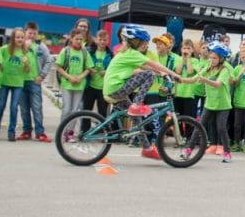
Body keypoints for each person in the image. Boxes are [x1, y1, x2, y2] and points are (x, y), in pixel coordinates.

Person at [101, 25, 184, 161]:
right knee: (149, 75)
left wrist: (162, 73)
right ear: (136, 42)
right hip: (116, 89)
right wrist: (174, 74)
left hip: (114, 90)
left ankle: (147, 149)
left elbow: (145, 66)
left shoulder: (127, 53)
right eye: (144, 42)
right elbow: (152, 65)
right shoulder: (132, 53)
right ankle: (137, 103)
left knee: (137, 117)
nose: (146, 45)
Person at [194, 43, 233, 162]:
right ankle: (188, 149)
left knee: (221, 128)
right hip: (210, 103)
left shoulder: (225, 69)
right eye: (210, 57)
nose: (211, 60)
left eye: (214, 58)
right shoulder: (209, 67)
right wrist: (179, 79)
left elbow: (217, 84)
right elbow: (195, 78)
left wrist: (204, 79)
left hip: (223, 104)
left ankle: (227, 153)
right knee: (199, 126)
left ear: (221, 59)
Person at [0, 28, 30, 141]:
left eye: (22, 37)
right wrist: (0, 66)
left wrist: (26, 64)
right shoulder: (5, 49)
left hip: (18, 83)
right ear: (13, 38)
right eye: (17, 37)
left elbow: (27, 71)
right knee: (1, 105)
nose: (20, 39)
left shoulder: (25, 52)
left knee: (14, 107)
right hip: (4, 81)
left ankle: (11, 131)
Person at [18, 22, 53, 142]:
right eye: (29, 33)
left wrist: (42, 75)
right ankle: (26, 131)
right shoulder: (19, 44)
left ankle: (40, 132)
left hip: (34, 82)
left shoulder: (40, 46)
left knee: (37, 107)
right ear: (25, 32)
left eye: (34, 33)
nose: (31, 35)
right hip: (21, 81)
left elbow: (49, 60)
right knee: (24, 108)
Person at [56, 28, 93, 119]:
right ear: (71, 39)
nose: (79, 41)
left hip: (79, 85)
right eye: (76, 39)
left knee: (75, 110)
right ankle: (63, 130)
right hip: (67, 84)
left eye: (81, 39)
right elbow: (58, 67)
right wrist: (69, 77)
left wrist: (80, 77)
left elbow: (89, 68)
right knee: (67, 109)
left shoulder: (85, 52)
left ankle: (70, 132)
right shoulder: (66, 51)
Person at [83, 30, 112, 117]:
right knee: (86, 111)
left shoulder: (111, 55)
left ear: (108, 41)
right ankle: (84, 130)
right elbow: (83, 65)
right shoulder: (90, 53)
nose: (102, 42)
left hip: (103, 88)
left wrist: (107, 72)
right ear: (96, 40)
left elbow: (114, 69)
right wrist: (89, 70)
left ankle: (102, 130)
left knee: (102, 114)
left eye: (104, 40)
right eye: (100, 39)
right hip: (90, 86)